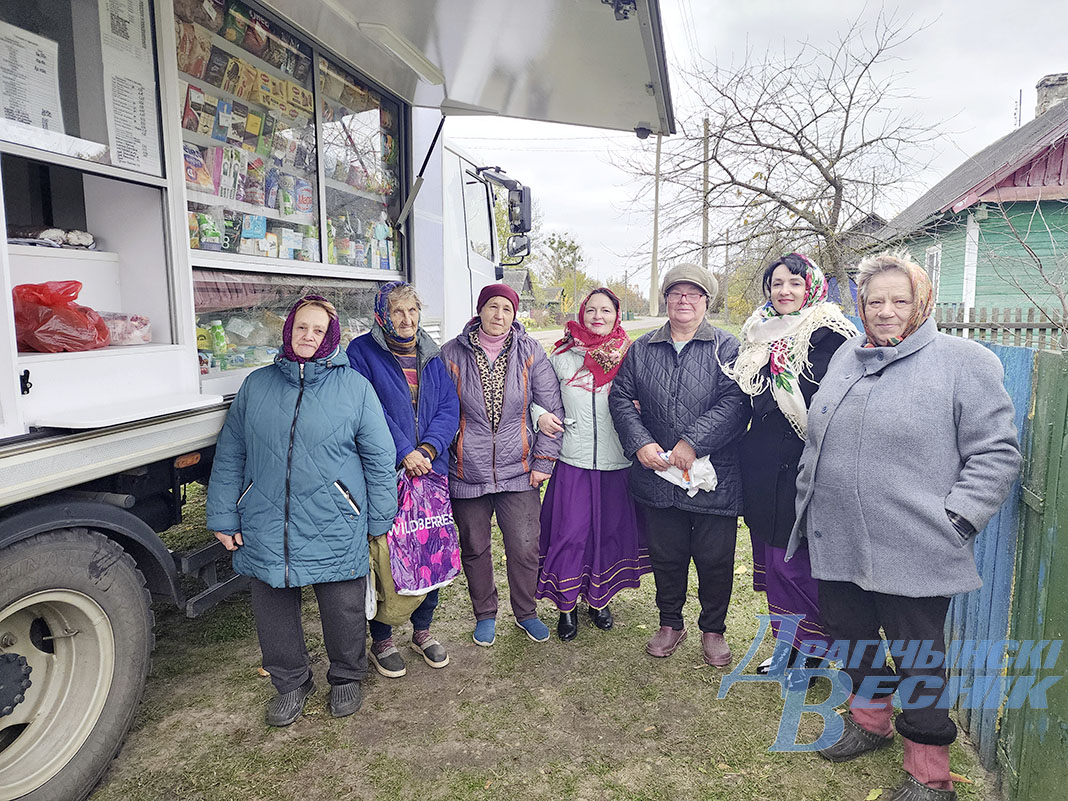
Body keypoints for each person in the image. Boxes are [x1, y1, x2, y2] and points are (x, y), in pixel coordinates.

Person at [787, 252, 1021, 801]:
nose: (886, 312)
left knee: (918, 656)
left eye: (899, 300)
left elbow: (997, 453)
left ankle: (930, 775)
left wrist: (955, 521)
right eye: (874, 302)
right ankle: (870, 723)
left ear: (922, 302)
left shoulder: (964, 361)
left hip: (917, 545)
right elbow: (819, 437)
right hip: (838, 535)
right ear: (860, 307)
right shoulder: (848, 354)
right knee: (853, 637)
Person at [207, 296, 398, 726]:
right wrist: (222, 514)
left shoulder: (354, 387)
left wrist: (380, 517)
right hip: (265, 518)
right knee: (272, 610)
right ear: (288, 330)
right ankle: (291, 681)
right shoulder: (257, 385)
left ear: (331, 336)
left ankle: (347, 676)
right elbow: (232, 452)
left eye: (317, 329)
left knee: (342, 608)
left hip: (336, 518)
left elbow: (379, 457)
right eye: (301, 328)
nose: (308, 336)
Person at [609, 264, 750, 665]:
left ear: (706, 301)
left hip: (712, 478)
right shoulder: (641, 349)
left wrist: (692, 441)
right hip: (658, 475)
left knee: (715, 558)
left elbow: (736, 402)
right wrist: (640, 444)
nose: (684, 301)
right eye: (676, 294)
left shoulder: (727, 347)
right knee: (666, 554)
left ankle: (713, 629)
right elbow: (621, 397)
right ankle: (670, 621)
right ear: (666, 300)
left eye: (693, 294)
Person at [728, 254, 858, 679]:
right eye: (777, 283)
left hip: (810, 467)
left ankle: (816, 648)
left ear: (812, 288)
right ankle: (789, 647)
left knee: (797, 564)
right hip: (764, 467)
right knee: (772, 562)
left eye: (794, 284)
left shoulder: (834, 337)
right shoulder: (758, 334)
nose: (784, 291)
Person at [440, 283, 564, 646]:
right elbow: (442, 411)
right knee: (475, 546)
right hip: (467, 470)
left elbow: (551, 408)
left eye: (507, 309)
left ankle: (525, 612)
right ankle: (485, 613)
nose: (499, 316)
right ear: (480, 310)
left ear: (515, 314)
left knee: (525, 545)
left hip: (519, 468)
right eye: (492, 307)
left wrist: (543, 459)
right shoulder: (451, 353)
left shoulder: (530, 351)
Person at [347, 281, 460, 678]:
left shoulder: (431, 352)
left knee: (431, 546)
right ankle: (381, 637)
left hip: (430, 470)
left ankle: (423, 630)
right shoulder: (361, 353)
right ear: (382, 314)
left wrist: (428, 449)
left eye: (412, 311)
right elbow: (369, 409)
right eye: (398, 312)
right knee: (386, 553)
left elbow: (449, 406)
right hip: (386, 471)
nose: (407, 319)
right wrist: (403, 452)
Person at [534, 288, 651, 641]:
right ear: (582, 313)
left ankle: (599, 600)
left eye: (606, 310)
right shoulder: (561, 357)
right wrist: (539, 415)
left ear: (617, 315)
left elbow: (648, 398)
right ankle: (566, 605)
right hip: (573, 460)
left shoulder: (631, 355)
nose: (598, 317)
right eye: (591, 311)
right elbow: (536, 398)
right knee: (570, 533)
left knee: (607, 534)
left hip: (617, 463)